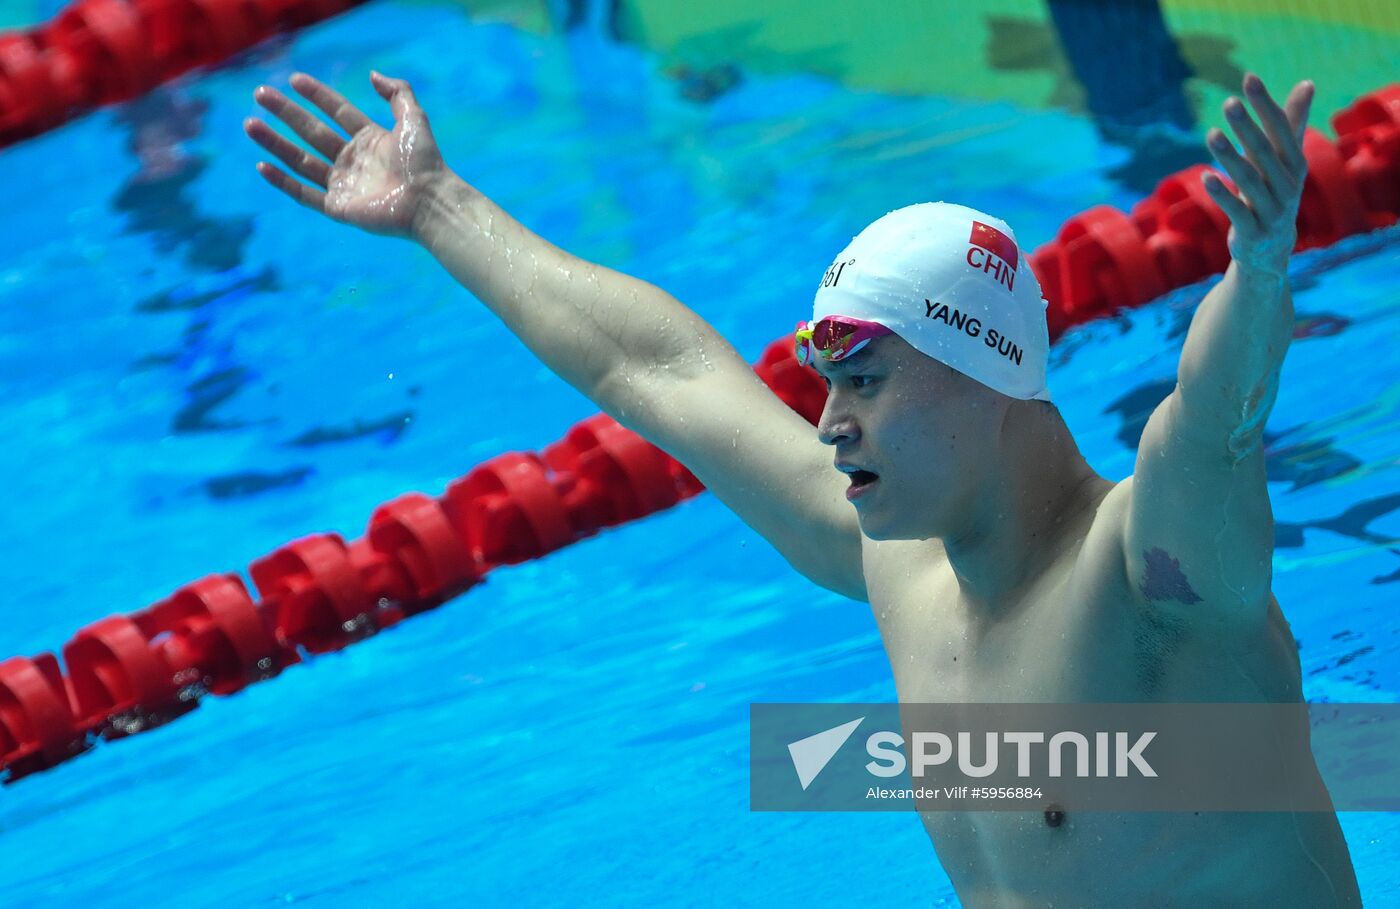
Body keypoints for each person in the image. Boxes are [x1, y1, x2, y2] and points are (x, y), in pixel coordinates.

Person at [244, 69, 1362, 906]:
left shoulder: (1152, 581)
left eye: (864, 382)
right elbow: (655, 370)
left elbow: (1208, 429)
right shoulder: (897, 570)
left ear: (985, 380)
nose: (828, 423)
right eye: (828, 385)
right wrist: (437, 207)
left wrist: (1254, 273)